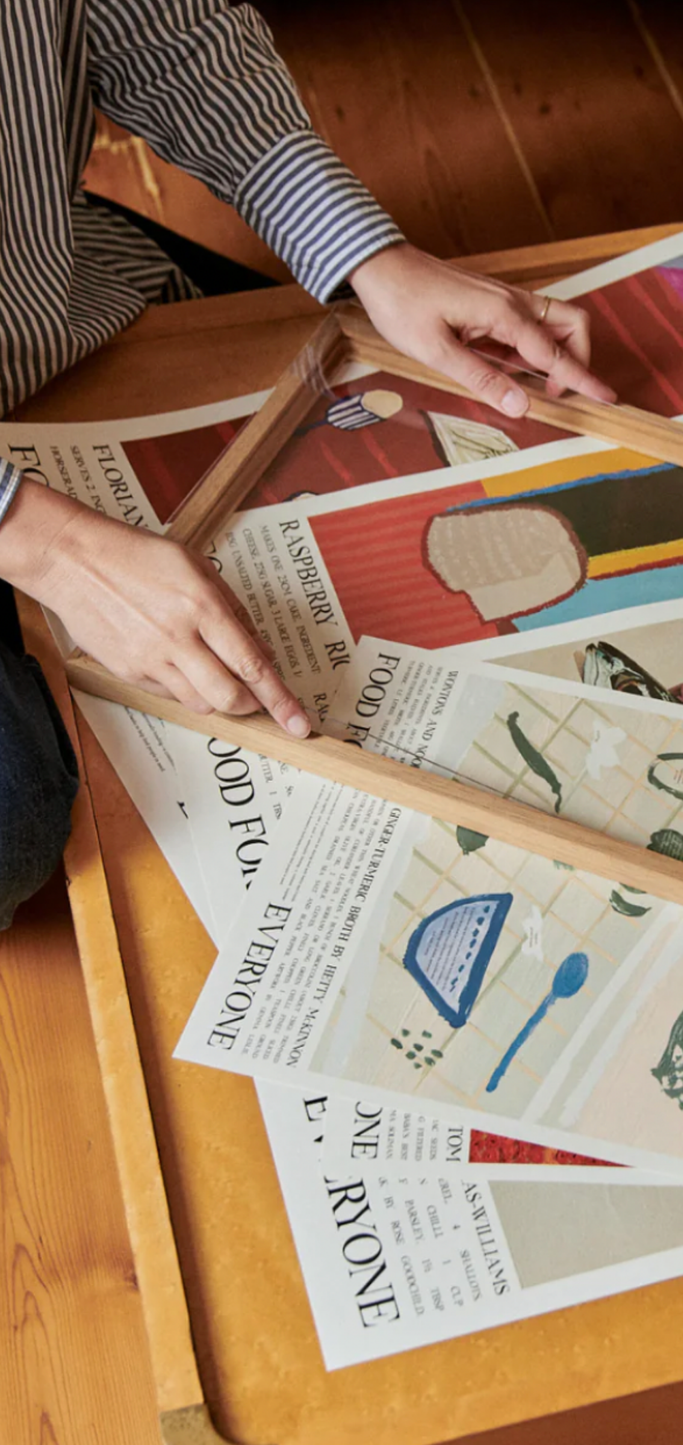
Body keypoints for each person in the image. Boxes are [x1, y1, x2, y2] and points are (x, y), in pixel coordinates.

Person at [0, 0, 614, 929]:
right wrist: (41, 542)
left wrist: (367, 252)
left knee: (328, 381)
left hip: (49, 297)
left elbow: (167, 31)